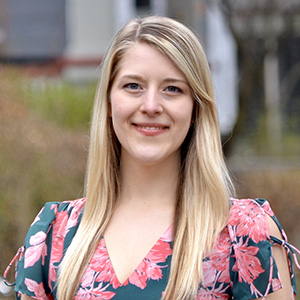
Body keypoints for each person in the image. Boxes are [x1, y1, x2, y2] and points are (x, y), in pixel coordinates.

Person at [4, 16, 300, 300]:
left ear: (196, 107)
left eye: (173, 89)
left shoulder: (243, 235)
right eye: (133, 86)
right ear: (108, 101)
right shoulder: (54, 235)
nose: (151, 105)